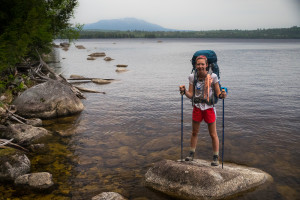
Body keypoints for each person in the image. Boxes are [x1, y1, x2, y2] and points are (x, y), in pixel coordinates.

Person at [179, 55, 227, 166]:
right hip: (197, 108)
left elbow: (218, 93)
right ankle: (191, 154)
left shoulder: (213, 77)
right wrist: (184, 90)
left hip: (209, 108)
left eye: (202, 64)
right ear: (195, 65)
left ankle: (215, 157)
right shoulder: (192, 77)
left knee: (213, 134)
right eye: (198, 64)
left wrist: (223, 95)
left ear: (206, 65)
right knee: (194, 132)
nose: (200, 66)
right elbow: (191, 95)